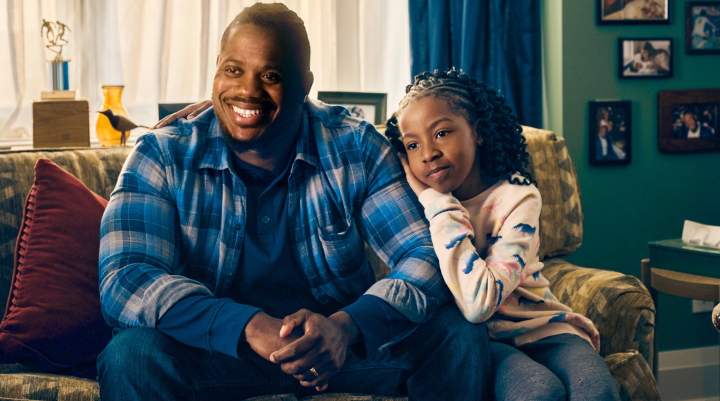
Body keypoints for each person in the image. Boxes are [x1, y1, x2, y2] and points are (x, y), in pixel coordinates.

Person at [97, 4, 490, 401]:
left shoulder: (354, 147)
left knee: (458, 334)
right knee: (131, 355)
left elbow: (424, 254)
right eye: (233, 70)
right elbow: (125, 277)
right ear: (216, 69)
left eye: (271, 76)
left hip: (338, 352)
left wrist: (347, 326)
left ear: (305, 84)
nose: (247, 90)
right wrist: (246, 325)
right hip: (215, 354)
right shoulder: (163, 154)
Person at [384, 68, 620, 401]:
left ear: (477, 132)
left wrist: (435, 203)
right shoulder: (416, 208)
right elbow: (477, 308)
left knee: (597, 392)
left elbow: (483, 296)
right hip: (485, 341)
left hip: (545, 329)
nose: (428, 153)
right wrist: (437, 204)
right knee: (539, 394)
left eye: (441, 133)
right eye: (412, 144)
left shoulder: (517, 197)